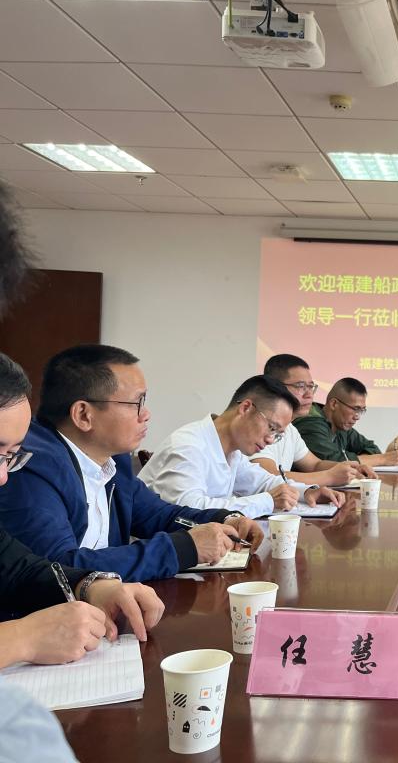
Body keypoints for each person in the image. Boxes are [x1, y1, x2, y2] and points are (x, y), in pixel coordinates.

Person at [0, 186, 159, 762]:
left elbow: (20, 565)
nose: (4, 476)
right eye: (134, 403)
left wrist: (93, 584)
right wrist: (19, 637)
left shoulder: (109, 462)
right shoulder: (42, 464)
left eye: (7, 456)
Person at [0, 346, 263, 582]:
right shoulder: (29, 467)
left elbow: (157, 515)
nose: (146, 414)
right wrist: (183, 548)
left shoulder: (113, 460)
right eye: (137, 402)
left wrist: (224, 519)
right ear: (83, 414)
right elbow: (58, 569)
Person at [140, 375, 342, 519]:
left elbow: (263, 482)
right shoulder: (188, 445)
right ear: (245, 408)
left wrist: (306, 492)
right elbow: (187, 510)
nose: (270, 440)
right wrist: (267, 501)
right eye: (271, 428)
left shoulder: (233, 449)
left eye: (277, 434)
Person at [252, 354, 379, 485]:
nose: (309, 395)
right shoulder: (258, 425)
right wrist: (329, 476)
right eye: (300, 386)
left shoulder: (291, 430)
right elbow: (268, 475)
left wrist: (353, 468)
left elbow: (315, 465)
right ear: (274, 387)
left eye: (311, 387)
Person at [292, 375, 398, 468]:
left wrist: (364, 460)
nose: (357, 417)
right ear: (334, 404)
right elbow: (331, 461)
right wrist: (380, 459)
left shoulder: (341, 426)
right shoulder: (310, 423)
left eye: (361, 410)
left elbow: (372, 448)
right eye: (355, 409)